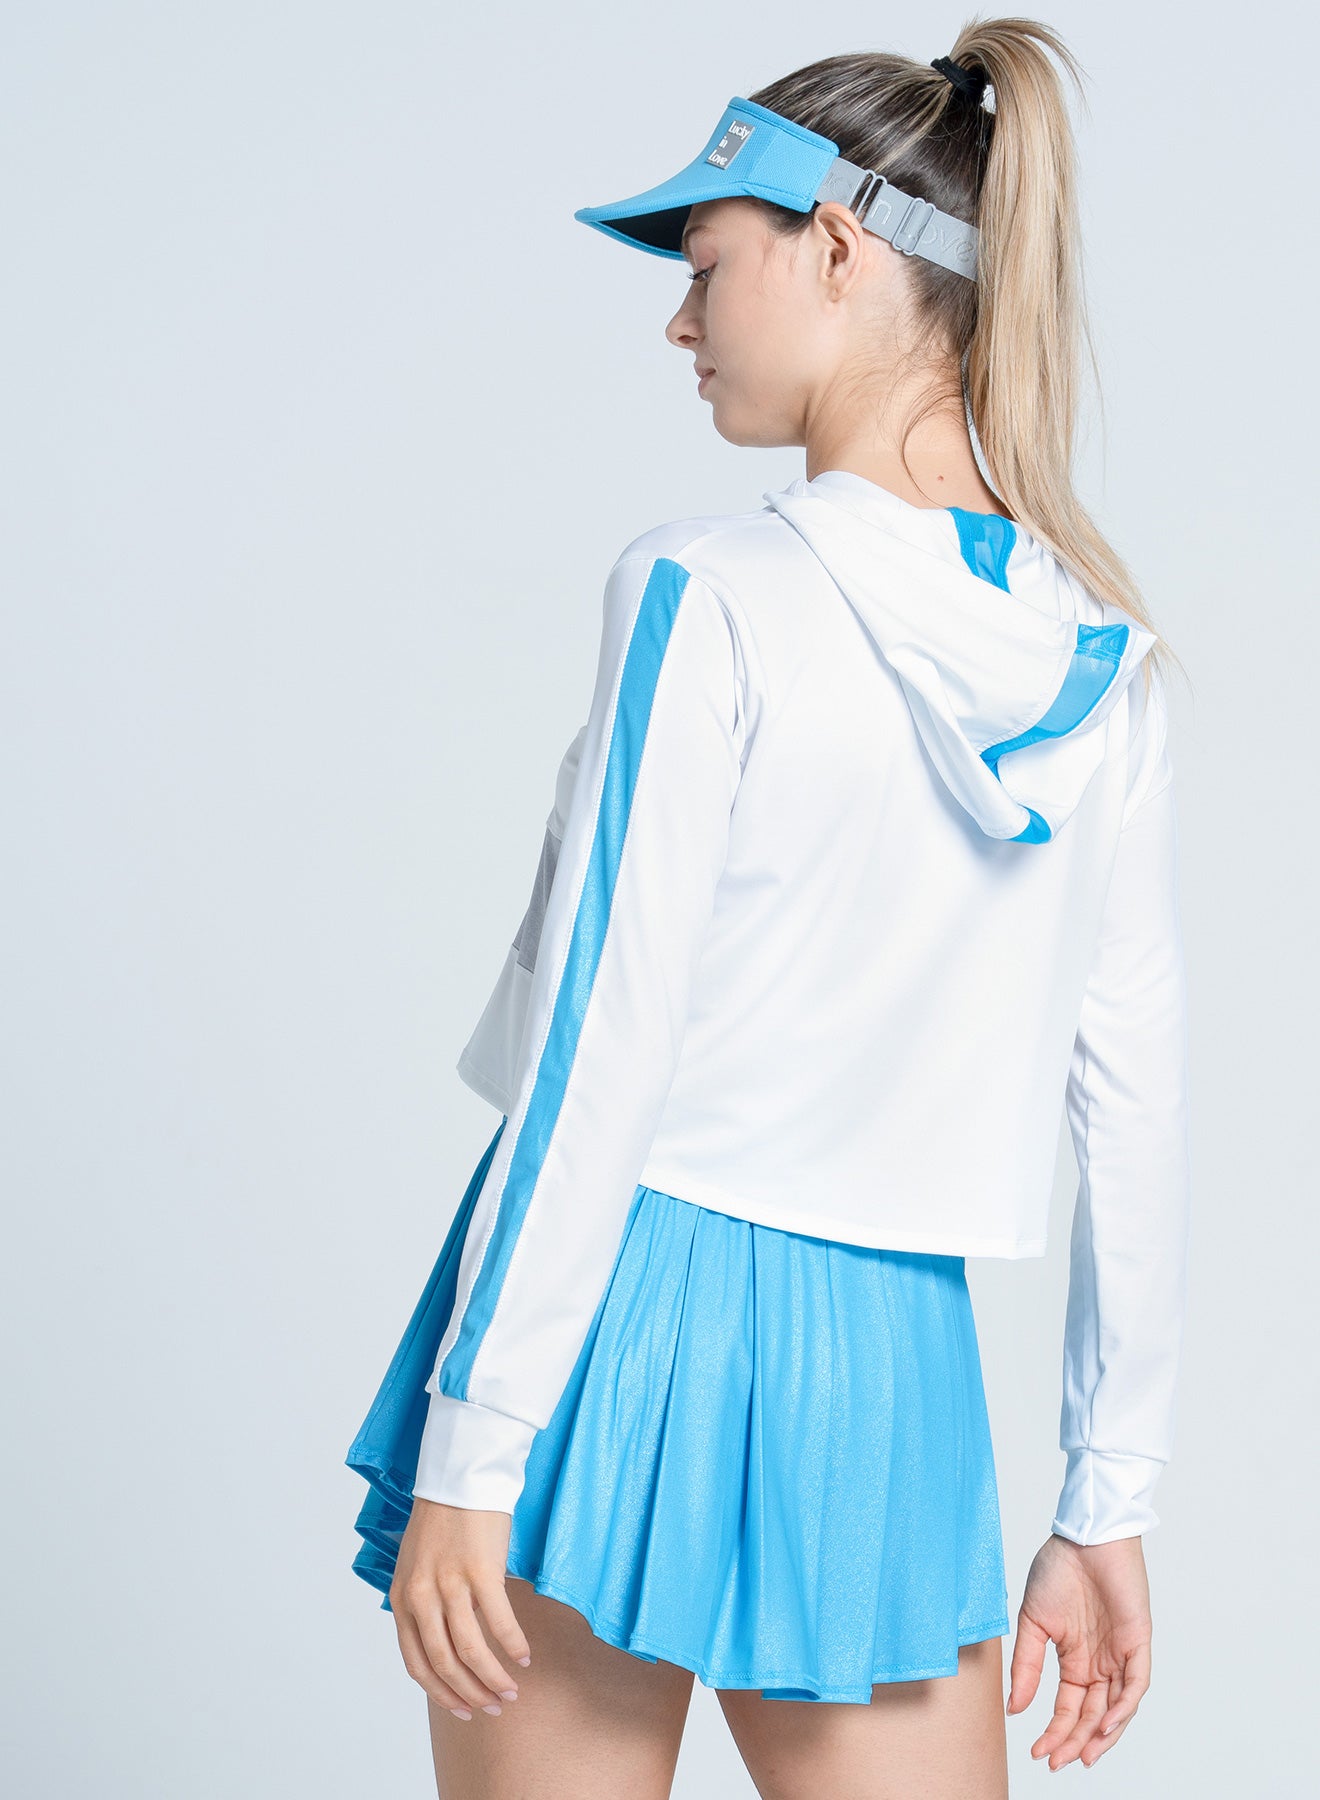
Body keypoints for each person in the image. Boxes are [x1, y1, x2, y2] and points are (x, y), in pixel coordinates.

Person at [345, 21, 1192, 1797]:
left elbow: (601, 1045)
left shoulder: (706, 594)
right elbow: (1134, 1099)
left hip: (613, 1310)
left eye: (706, 263)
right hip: (891, 1367)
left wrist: (477, 1445)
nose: (680, 321)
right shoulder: (1103, 663)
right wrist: (1106, 1497)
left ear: (839, 247)